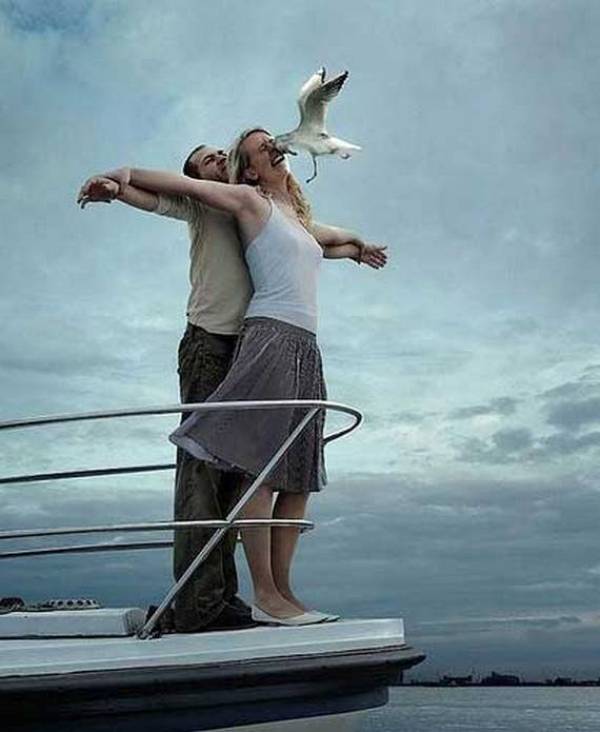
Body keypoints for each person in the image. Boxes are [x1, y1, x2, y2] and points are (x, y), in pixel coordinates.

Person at [78, 130, 387, 626]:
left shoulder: (277, 209)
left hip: (268, 344)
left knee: (279, 473)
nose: (218, 158)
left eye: (221, 153)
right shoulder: (216, 203)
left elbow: (319, 236)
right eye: (208, 159)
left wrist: (357, 246)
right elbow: (164, 193)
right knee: (217, 472)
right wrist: (119, 181)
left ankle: (249, 596)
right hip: (215, 341)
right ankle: (207, 603)